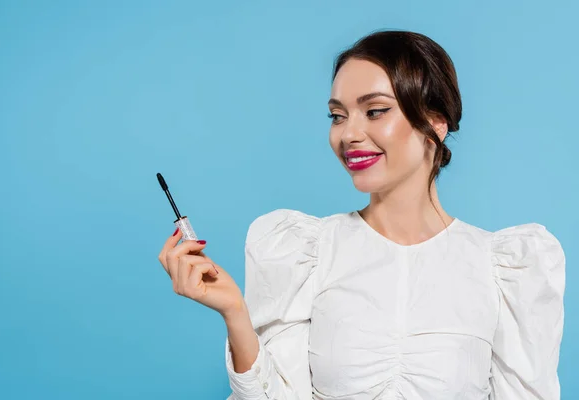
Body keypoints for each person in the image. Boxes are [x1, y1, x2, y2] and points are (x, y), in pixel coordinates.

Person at [157, 30, 566, 400]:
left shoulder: (506, 270)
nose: (348, 134)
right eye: (338, 115)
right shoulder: (305, 252)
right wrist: (235, 313)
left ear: (435, 123)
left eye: (374, 111)